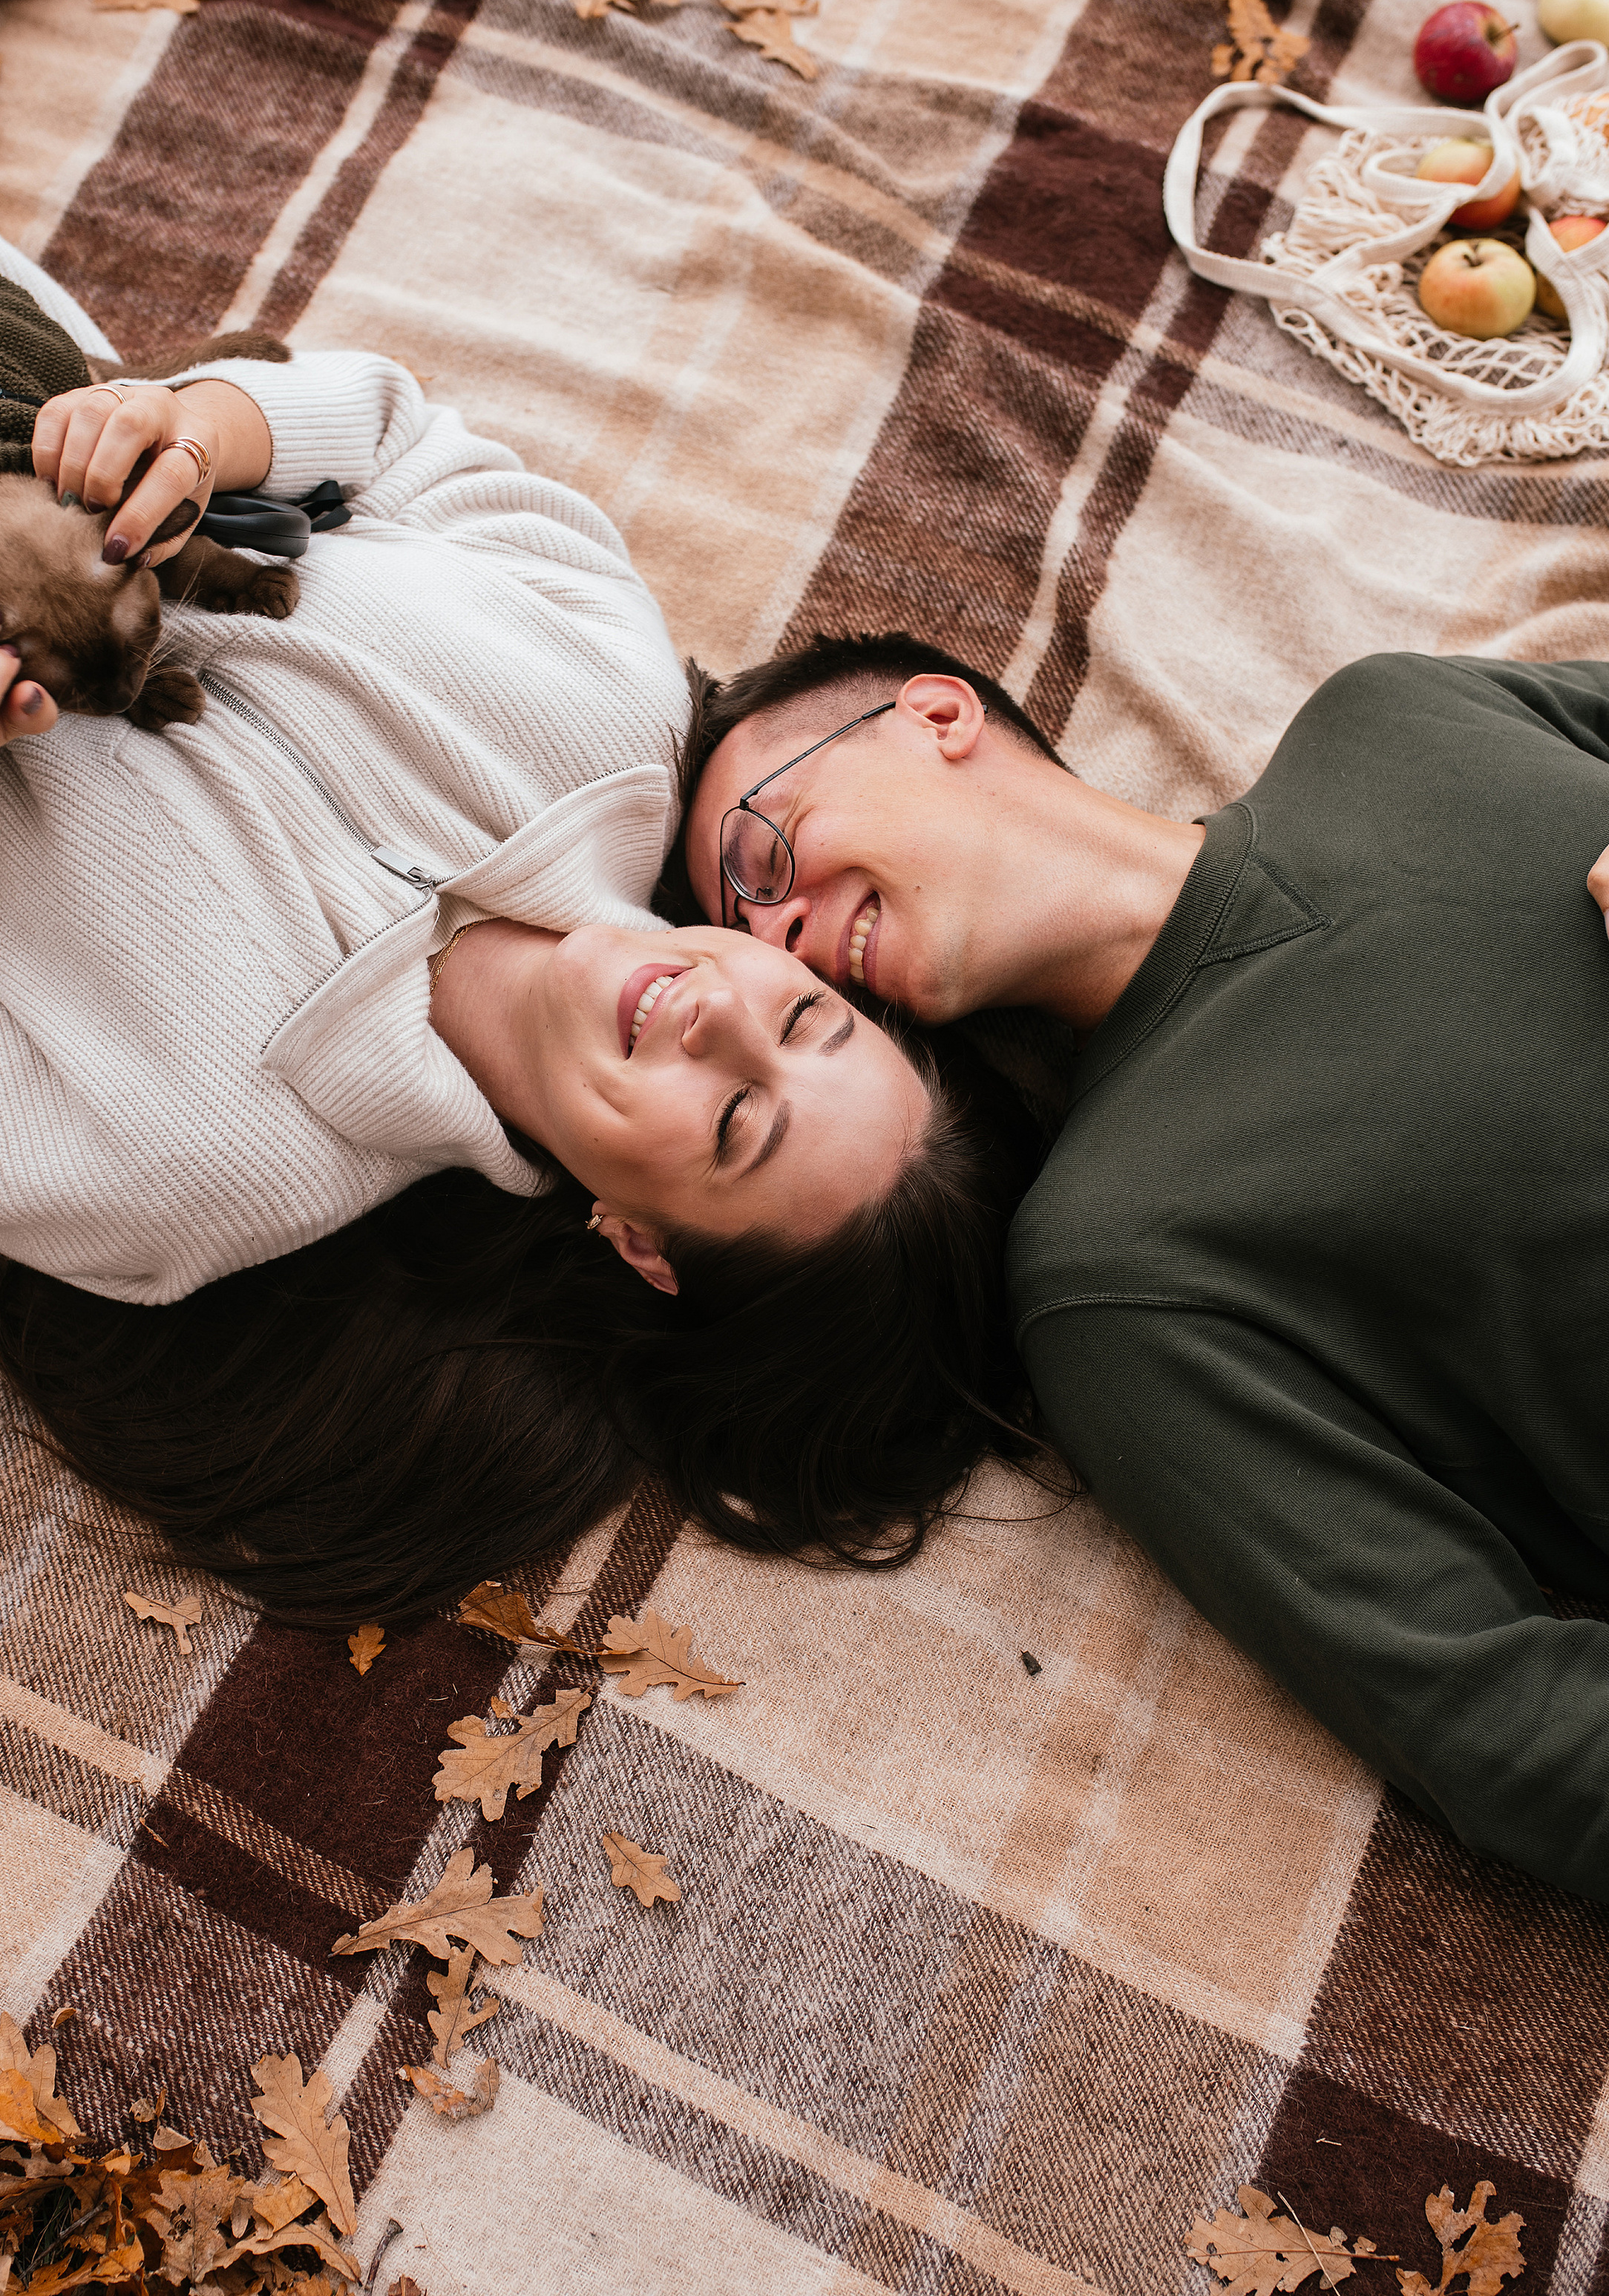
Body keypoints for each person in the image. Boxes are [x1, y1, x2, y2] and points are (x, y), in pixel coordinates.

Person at [0, 103, 1040, 1620]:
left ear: (642, 1248)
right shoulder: (609, 723)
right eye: (806, 1023)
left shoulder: (210, 1170)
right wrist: (207, 427)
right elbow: (408, 443)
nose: (722, 1016)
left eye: (737, 1120)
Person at [675, 629, 1609, 1904]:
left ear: (936, 715)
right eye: (746, 931)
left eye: (757, 852)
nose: (776, 933)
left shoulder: (1393, 713)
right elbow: (1505, 1727)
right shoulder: (1114, 1268)